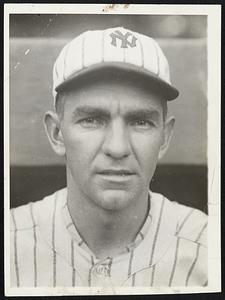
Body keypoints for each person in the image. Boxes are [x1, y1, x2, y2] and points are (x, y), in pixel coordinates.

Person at [10, 27, 207, 288]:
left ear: (165, 137)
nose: (117, 147)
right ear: (57, 134)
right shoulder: (9, 241)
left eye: (141, 121)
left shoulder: (208, 248)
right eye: (92, 119)